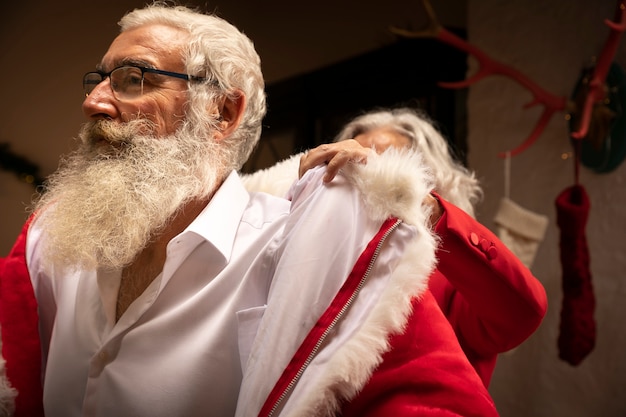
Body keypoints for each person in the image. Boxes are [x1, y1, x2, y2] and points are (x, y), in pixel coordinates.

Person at [0, 4, 500, 417]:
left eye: (135, 79)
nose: (94, 102)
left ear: (223, 112)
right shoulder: (53, 239)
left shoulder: (313, 260)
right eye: (100, 79)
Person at [242, 107, 548, 387]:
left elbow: (521, 314)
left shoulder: (452, 278)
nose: (365, 172)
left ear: (433, 184)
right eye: (355, 162)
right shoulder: (311, 267)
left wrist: (414, 200)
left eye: (387, 163)